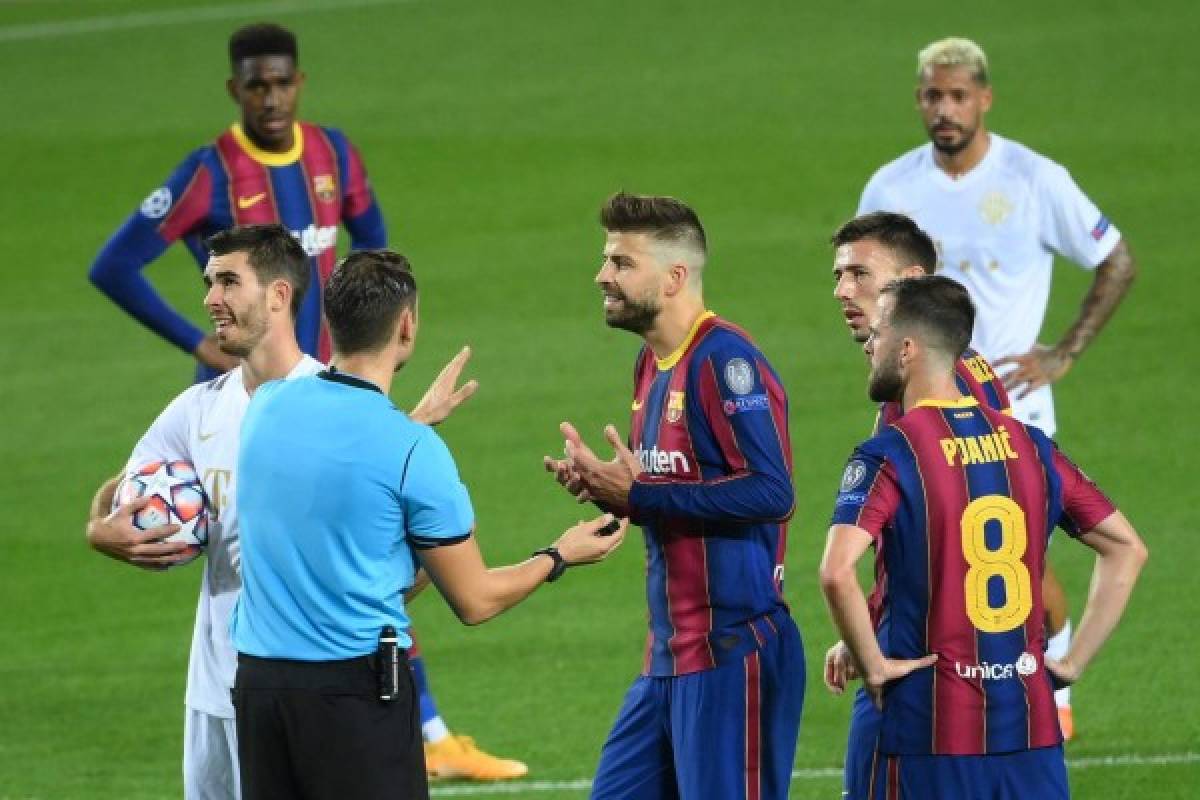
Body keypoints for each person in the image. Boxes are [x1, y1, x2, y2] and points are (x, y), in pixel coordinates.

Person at [88, 21, 525, 780]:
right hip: (244, 692)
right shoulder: (206, 181)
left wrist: (382, 371)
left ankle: (429, 723)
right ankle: (427, 724)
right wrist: (199, 349)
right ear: (235, 89)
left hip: (331, 415)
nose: (272, 96)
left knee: (345, 549)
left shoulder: (334, 154)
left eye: (283, 80)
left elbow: (378, 250)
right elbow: (115, 265)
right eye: (256, 83)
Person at [85, 225, 479, 800]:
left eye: (227, 281)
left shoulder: (337, 401)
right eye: (208, 282)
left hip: (299, 693)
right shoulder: (197, 409)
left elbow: (393, 552)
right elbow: (123, 489)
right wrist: (100, 530)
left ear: (277, 295)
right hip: (212, 695)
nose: (210, 299)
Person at [229, 249, 627, 800]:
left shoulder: (265, 408)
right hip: (353, 702)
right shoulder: (413, 452)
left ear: (328, 321)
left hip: (259, 693)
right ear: (407, 325)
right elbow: (475, 600)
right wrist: (559, 555)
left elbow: (340, 523)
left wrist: (410, 422)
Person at [855, 36, 1139, 736]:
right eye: (931, 96)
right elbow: (863, 280)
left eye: (957, 96)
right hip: (923, 402)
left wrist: (1063, 351)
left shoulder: (1034, 179)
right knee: (920, 555)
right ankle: (951, 685)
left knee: (1021, 562)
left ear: (984, 97)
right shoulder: (892, 188)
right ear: (919, 99)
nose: (944, 110)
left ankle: (1057, 691)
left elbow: (1117, 261)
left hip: (1013, 406)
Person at [819, 275, 1147, 799]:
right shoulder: (1033, 447)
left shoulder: (891, 454)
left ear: (907, 350)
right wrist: (1074, 660)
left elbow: (836, 573)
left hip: (929, 731)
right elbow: (1128, 547)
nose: (869, 344)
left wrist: (875, 665)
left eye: (878, 334)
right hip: (1030, 732)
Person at [544, 192, 804, 800]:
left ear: (674, 277)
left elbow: (774, 492)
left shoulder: (724, 360)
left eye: (621, 263)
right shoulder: (650, 364)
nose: (601, 275)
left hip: (731, 656)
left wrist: (643, 495)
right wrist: (610, 491)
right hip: (668, 660)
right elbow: (665, 491)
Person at [824, 211, 1012, 798]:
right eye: (838, 274)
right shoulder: (961, 375)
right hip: (970, 656)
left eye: (860, 274)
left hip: (922, 667)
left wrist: (877, 630)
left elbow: (952, 526)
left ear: (908, 281)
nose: (842, 291)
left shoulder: (926, 392)